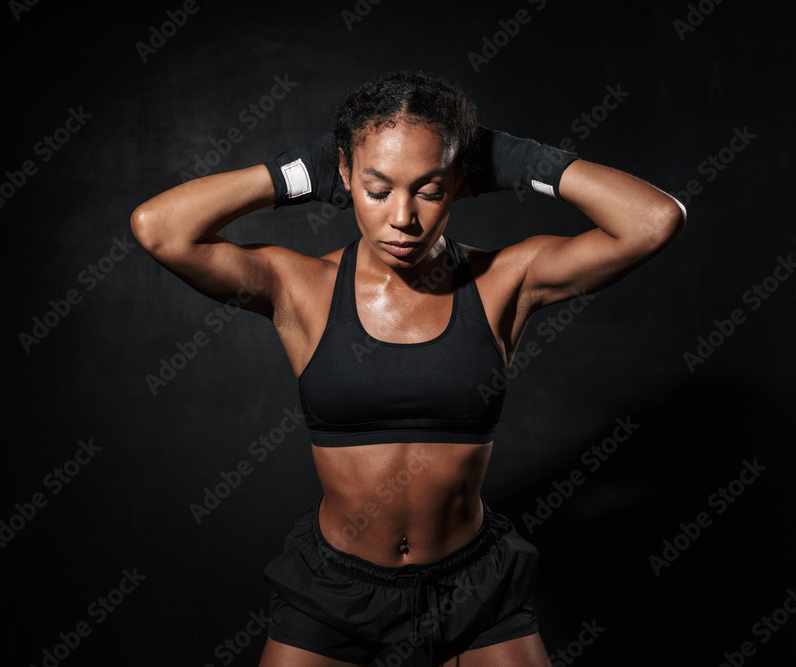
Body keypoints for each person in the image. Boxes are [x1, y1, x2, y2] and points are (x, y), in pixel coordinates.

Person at [131, 71, 685, 666]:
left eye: (429, 189)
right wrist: (298, 173)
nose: (403, 217)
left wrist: (519, 159)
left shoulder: (506, 280)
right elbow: (159, 230)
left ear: (461, 184)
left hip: (475, 586)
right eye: (377, 189)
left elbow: (653, 220)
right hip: (334, 588)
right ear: (343, 175)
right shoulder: (303, 288)